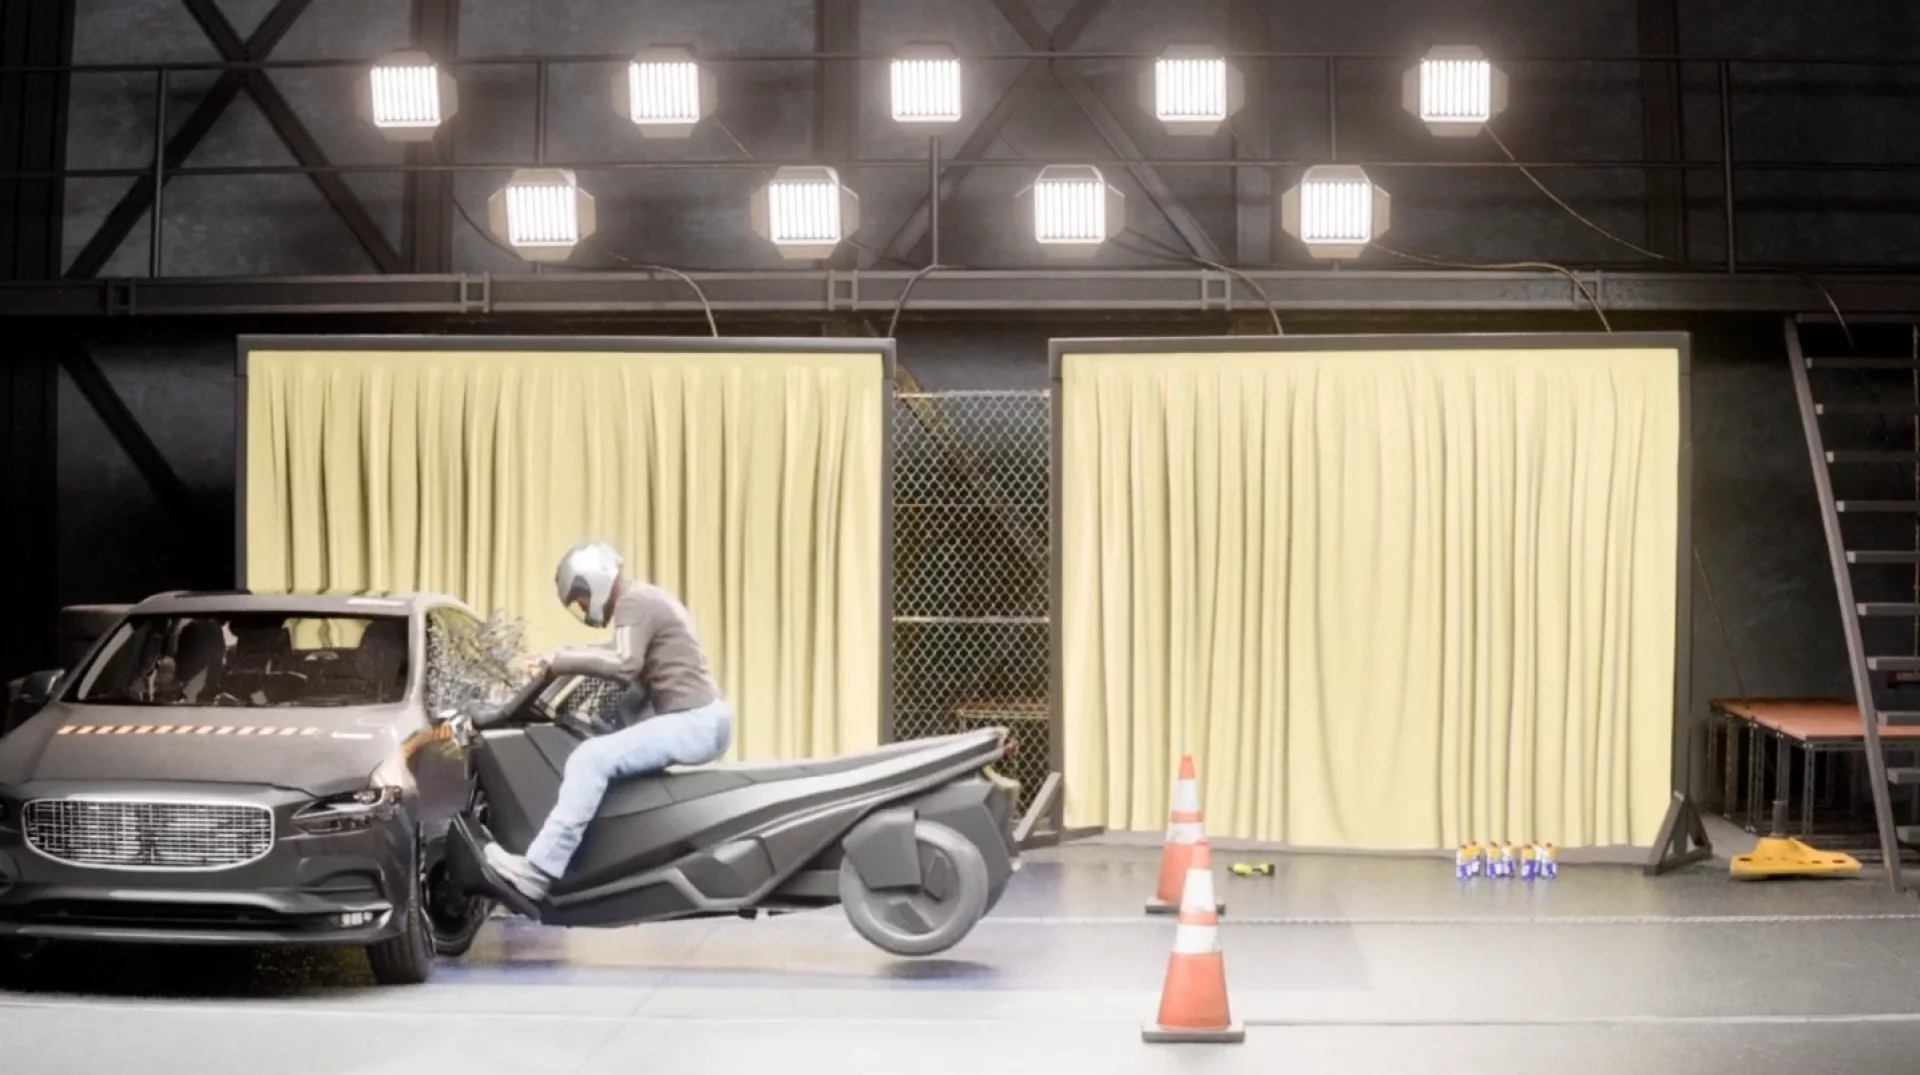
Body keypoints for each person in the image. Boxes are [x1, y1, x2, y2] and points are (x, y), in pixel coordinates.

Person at [483, 541, 733, 900]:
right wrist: (556, 657)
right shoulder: (643, 599)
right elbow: (615, 652)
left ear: (595, 580)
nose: (585, 608)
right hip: (702, 718)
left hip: (695, 721)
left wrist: (560, 662)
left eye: (582, 599)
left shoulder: (635, 603)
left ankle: (537, 872)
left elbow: (624, 663)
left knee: (590, 758)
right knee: (604, 757)